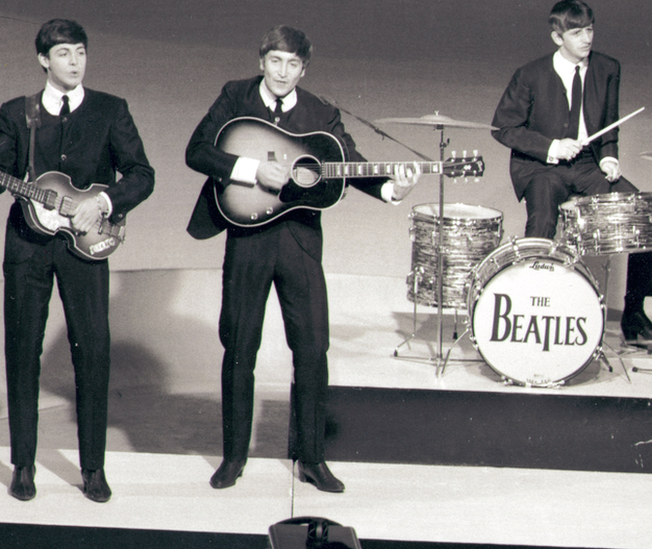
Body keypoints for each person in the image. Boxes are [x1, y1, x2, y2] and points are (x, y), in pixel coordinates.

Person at [185, 25, 419, 493]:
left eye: (293, 65)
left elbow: (348, 161)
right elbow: (198, 151)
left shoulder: (321, 111)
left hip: (300, 241)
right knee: (240, 348)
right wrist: (252, 169)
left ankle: (313, 459)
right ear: (262, 61)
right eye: (276, 61)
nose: (283, 72)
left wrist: (394, 188)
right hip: (247, 236)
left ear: (304, 69)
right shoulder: (235, 96)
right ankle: (233, 458)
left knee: (313, 349)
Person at [0, 19, 155, 503]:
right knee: (22, 352)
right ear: (44, 59)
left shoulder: (111, 109)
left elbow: (141, 174)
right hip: (27, 246)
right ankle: (23, 464)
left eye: (81, 52)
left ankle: (92, 468)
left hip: (86, 245)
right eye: (64, 53)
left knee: (94, 353)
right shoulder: (14, 113)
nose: (74, 61)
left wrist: (105, 203)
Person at [491, 0, 652, 345]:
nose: (587, 38)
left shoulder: (607, 68)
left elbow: (609, 124)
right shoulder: (530, 74)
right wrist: (552, 147)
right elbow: (503, 128)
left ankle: (634, 314)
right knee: (541, 224)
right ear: (557, 37)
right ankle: (530, 306)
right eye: (576, 32)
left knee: (645, 217)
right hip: (543, 167)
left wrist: (609, 157)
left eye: (590, 29)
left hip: (586, 166)